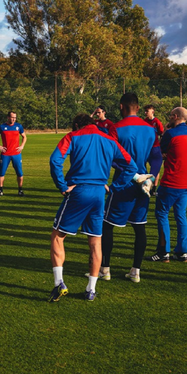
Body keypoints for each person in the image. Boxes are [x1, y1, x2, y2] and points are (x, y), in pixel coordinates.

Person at [49, 113, 132, 302]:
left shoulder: (73, 136)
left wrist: (62, 186)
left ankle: (59, 283)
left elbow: (55, 160)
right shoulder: (109, 140)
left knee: (58, 236)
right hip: (99, 194)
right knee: (95, 241)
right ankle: (91, 289)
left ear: (77, 125)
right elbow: (130, 166)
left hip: (78, 191)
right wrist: (114, 187)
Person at [101, 93, 157, 282]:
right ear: (138, 108)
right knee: (139, 227)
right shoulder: (150, 129)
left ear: (121, 106)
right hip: (144, 184)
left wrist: (132, 175)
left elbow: (111, 156)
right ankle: (136, 271)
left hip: (124, 183)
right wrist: (152, 177)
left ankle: (105, 269)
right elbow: (157, 156)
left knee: (107, 225)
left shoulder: (116, 128)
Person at [149, 107, 187, 272]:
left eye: (170, 115)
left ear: (175, 116)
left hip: (171, 181)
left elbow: (160, 151)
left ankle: (164, 251)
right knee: (181, 215)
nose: (169, 118)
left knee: (162, 214)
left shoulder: (170, 134)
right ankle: (182, 251)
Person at [0, 111, 27, 197]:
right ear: (8, 117)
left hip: (16, 154)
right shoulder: (2, 127)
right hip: (5, 154)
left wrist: (22, 146)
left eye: (15, 117)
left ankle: (20, 190)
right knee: (2, 172)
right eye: (12, 117)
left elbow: (24, 137)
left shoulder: (19, 126)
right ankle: (0, 190)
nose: (14, 119)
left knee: (20, 173)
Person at [142, 105, 165, 177]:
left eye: (147, 111)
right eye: (145, 111)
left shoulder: (156, 122)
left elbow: (162, 133)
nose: (145, 113)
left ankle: (154, 184)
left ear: (152, 111)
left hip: (155, 147)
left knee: (155, 168)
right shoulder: (144, 121)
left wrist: (160, 145)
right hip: (146, 147)